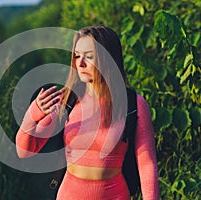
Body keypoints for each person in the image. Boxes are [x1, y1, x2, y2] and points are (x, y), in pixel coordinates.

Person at [15, 25, 159, 200]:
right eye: (76, 56)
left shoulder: (133, 104)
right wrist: (32, 116)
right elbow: (25, 151)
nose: (80, 63)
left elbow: (146, 163)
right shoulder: (67, 101)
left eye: (89, 57)